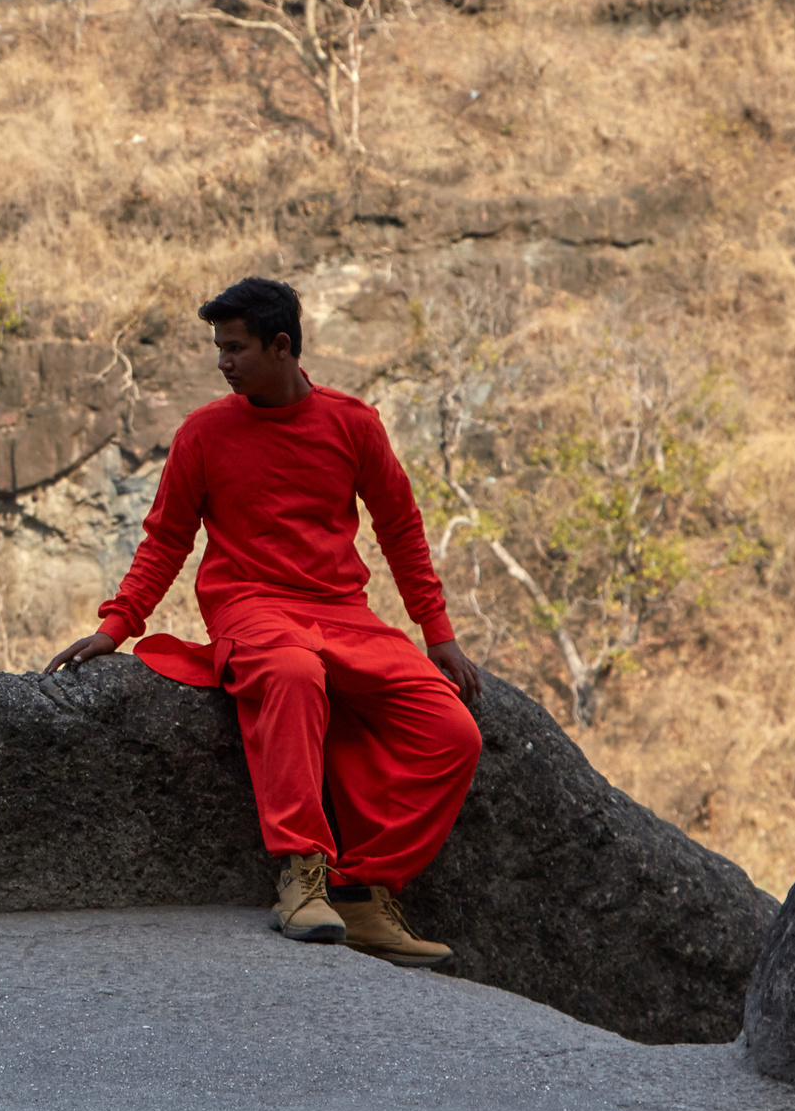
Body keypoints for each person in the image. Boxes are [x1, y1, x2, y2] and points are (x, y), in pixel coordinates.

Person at [44, 276, 484, 968]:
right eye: (219, 347)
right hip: (250, 606)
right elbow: (166, 537)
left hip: (344, 613)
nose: (223, 361)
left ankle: (362, 890)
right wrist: (117, 625)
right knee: (291, 672)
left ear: (281, 346)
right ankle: (300, 871)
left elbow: (400, 526)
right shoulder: (204, 433)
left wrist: (439, 633)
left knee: (452, 730)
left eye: (235, 347)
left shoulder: (352, 423)